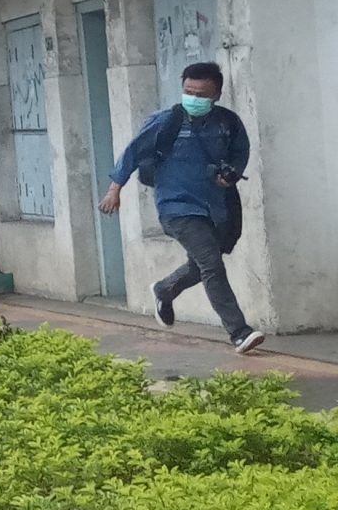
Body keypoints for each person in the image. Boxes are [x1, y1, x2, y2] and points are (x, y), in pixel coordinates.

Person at [101, 59, 264, 354]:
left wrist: (232, 175)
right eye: (189, 91)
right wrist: (115, 189)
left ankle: (166, 288)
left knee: (203, 262)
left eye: (202, 94)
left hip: (217, 205)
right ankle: (239, 332)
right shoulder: (166, 121)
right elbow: (132, 153)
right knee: (211, 264)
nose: (195, 98)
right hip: (177, 206)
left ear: (216, 95)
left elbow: (241, 151)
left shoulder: (227, 123)